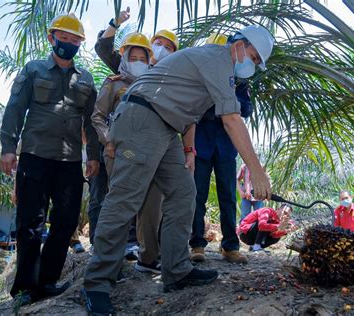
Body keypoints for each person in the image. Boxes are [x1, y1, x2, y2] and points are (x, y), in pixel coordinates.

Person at [81, 25, 274, 314]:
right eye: (254, 56)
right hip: (143, 117)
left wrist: (188, 149)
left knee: (184, 193)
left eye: (258, 62)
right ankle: (96, 282)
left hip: (166, 126)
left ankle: (176, 270)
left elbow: (190, 110)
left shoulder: (223, 68)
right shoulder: (218, 59)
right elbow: (231, 119)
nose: (253, 65)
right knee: (125, 199)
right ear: (239, 44)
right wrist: (256, 170)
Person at [0, 13, 99, 305]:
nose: (68, 43)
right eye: (63, 38)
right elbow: (15, 109)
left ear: (81, 43)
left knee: (66, 222)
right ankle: (24, 288)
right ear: (51, 38)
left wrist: (92, 155)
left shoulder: (86, 79)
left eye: (74, 40)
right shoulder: (33, 70)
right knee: (30, 223)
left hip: (69, 162)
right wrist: (8, 147)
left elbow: (91, 122)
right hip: (34, 157)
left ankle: (47, 282)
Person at [94, 9, 179, 274]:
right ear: (126, 57)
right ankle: (109, 266)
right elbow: (98, 116)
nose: (140, 61)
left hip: (152, 152)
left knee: (152, 207)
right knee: (119, 206)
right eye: (136, 56)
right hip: (120, 152)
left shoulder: (160, 81)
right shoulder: (116, 82)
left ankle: (148, 258)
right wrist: (108, 141)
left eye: (168, 47)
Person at [189, 33, 254, 264]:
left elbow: (245, 110)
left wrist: (224, 102)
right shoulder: (198, 78)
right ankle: (197, 244)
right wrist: (223, 106)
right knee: (197, 196)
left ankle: (230, 246)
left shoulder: (241, 82)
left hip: (227, 147)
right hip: (201, 146)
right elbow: (196, 109)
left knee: (228, 197)